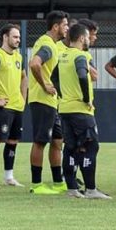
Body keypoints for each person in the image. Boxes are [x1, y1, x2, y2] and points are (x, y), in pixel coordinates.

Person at [51, 23, 110, 199]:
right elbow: (83, 75)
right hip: (81, 110)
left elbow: (53, 77)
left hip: (65, 108)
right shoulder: (80, 56)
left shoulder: (62, 56)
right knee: (90, 145)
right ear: (82, 38)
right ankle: (91, 189)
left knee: (70, 147)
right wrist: (86, 99)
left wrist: (62, 94)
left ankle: (72, 189)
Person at [28, 11, 69, 194]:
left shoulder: (51, 44)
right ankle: (36, 185)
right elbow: (34, 63)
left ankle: (58, 182)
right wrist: (44, 84)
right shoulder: (47, 45)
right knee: (40, 141)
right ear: (56, 27)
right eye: (65, 25)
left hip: (51, 101)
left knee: (57, 140)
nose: (67, 28)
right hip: (42, 100)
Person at [0, 24, 27, 190]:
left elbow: (24, 78)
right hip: (4, 107)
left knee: (13, 141)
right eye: (15, 37)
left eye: (19, 37)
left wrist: (24, 98)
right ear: (5, 37)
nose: (18, 40)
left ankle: (9, 176)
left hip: (17, 106)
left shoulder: (18, 57)